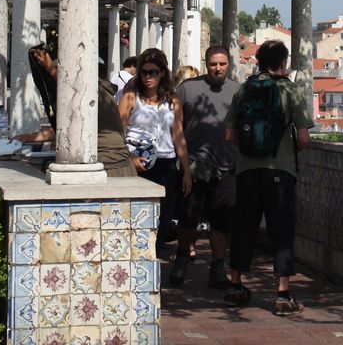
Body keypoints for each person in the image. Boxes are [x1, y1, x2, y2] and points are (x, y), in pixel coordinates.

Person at [224, 38, 314, 316]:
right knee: (281, 230)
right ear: (283, 62)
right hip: (280, 170)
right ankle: (282, 294)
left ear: (259, 62)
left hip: (247, 171)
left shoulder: (244, 90)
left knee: (243, 227)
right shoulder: (291, 90)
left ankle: (236, 286)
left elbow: (229, 134)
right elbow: (303, 138)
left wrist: (252, 146)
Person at [171, 44, 241, 289]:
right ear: (206, 64)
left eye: (222, 64)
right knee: (188, 218)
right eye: (213, 64)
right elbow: (176, 128)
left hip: (227, 166)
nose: (217, 69)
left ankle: (218, 267)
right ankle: (181, 258)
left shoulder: (237, 91)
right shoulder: (187, 89)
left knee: (221, 222)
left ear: (228, 64)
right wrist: (185, 167)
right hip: (195, 165)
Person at [14, 45, 135, 178]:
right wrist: (29, 137)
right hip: (113, 165)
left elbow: (71, 86)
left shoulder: (95, 92)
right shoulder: (101, 90)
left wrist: (50, 68)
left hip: (110, 167)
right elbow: (70, 128)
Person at [119, 48, 191, 243]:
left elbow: (178, 135)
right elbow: (118, 132)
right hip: (138, 162)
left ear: (162, 73)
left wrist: (186, 171)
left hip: (166, 162)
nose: (148, 77)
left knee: (165, 214)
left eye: (153, 72)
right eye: (144, 72)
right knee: (138, 213)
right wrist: (129, 159)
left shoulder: (172, 100)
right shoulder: (131, 97)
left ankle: (156, 252)